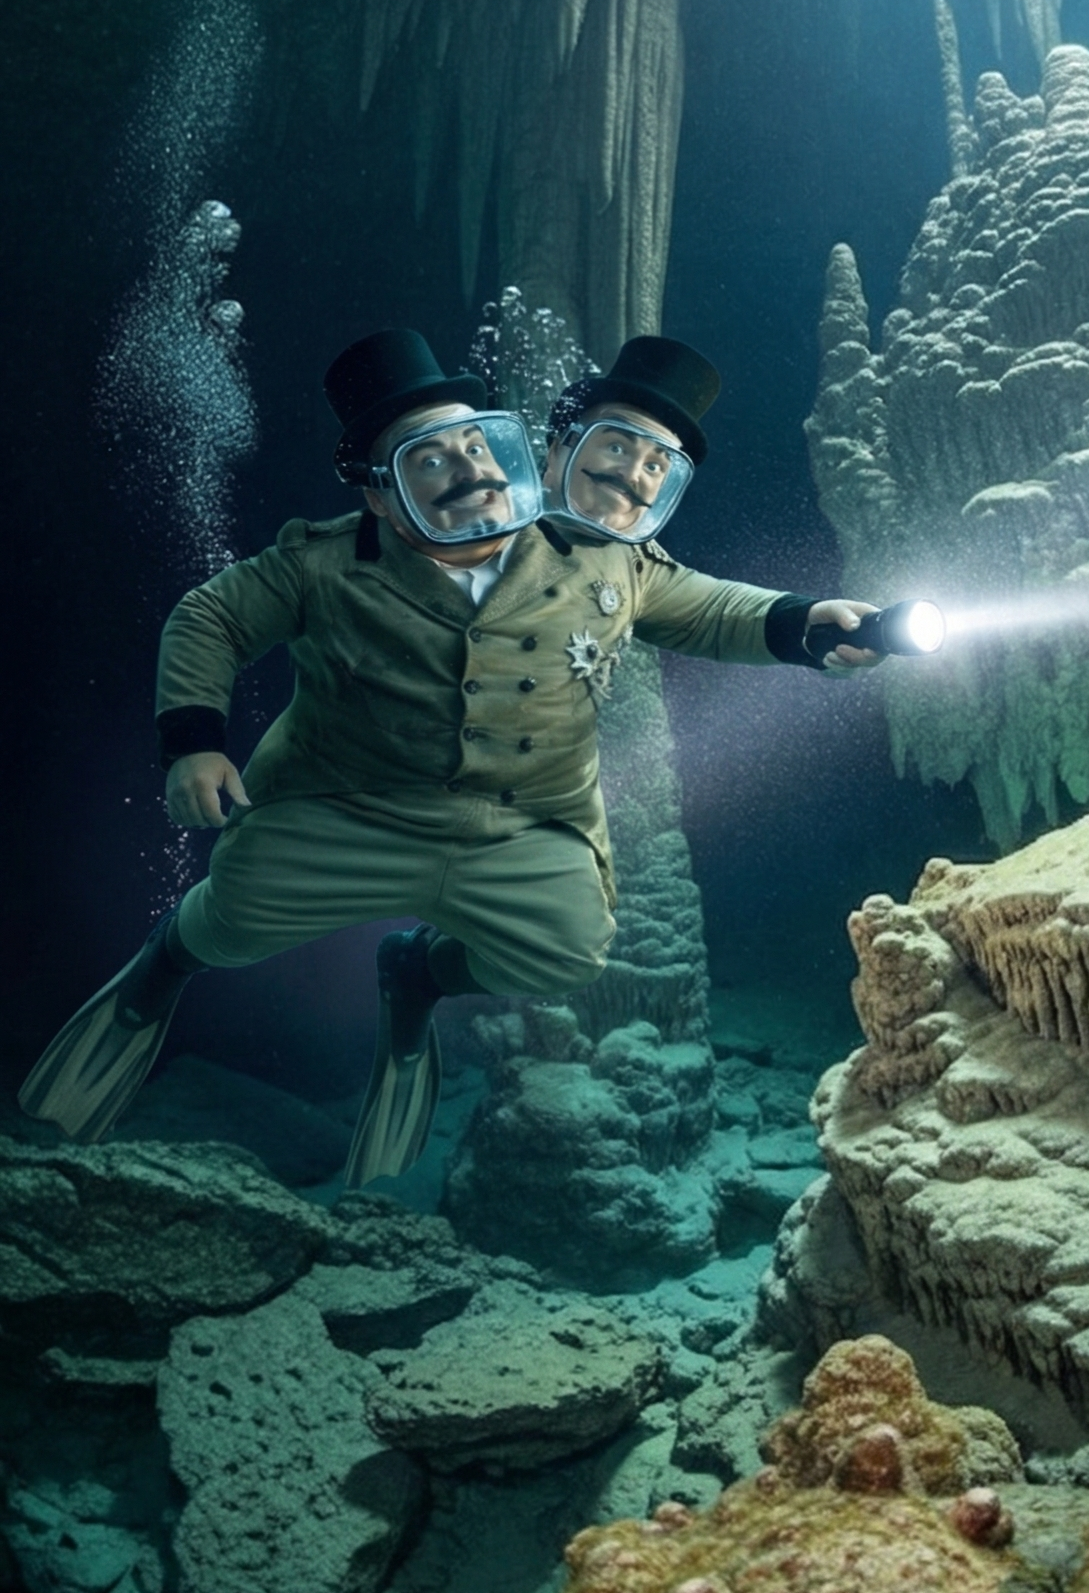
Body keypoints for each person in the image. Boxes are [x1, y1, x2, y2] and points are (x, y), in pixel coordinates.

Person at [21, 328, 879, 1184]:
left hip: (521, 825)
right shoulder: (319, 565)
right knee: (234, 922)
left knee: (569, 951)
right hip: (338, 807)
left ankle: (417, 971)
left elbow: (714, 610)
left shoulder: (607, 560)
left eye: (477, 444)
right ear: (380, 497)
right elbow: (212, 617)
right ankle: (167, 959)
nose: (469, 468)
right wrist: (194, 744)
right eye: (430, 460)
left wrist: (805, 623)